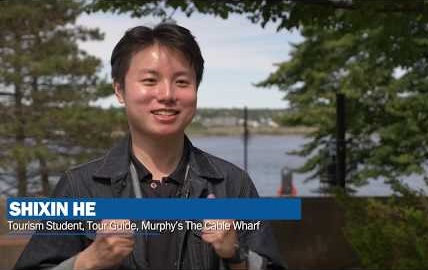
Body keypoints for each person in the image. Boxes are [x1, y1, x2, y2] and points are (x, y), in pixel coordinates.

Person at [14, 23, 285, 270]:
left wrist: (236, 256)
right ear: (120, 90)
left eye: (181, 82)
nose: (167, 95)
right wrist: (87, 261)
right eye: (150, 81)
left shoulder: (232, 185)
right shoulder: (79, 187)